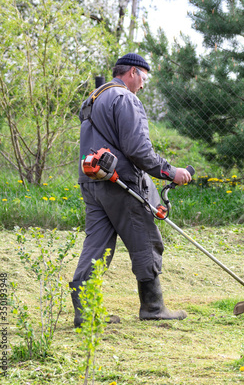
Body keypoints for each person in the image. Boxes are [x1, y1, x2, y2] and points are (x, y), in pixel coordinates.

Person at [69, 52, 192, 327]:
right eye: (143, 78)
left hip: (91, 180)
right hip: (120, 183)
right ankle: (153, 306)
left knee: (96, 245)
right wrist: (172, 172)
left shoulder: (93, 98)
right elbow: (139, 150)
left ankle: (85, 313)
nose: (143, 85)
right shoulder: (124, 98)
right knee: (145, 239)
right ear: (133, 72)